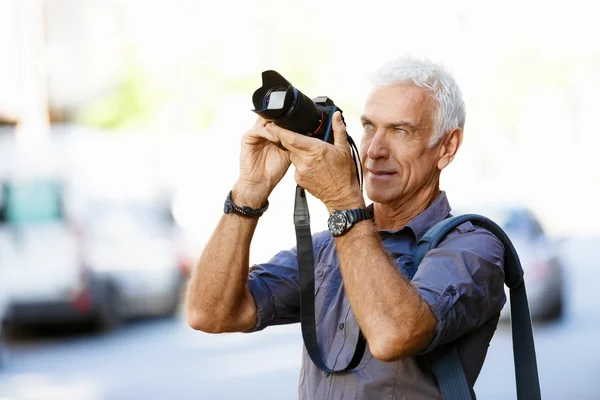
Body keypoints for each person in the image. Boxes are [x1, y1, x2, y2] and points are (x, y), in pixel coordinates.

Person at [186, 56, 506, 399]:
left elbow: (392, 335)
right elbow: (209, 314)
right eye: (369, 127)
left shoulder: (473, 247)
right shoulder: (328, 248)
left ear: (446, 147)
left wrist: (342, 200)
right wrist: (248, 193)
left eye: (400, 131)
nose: (374, 151)